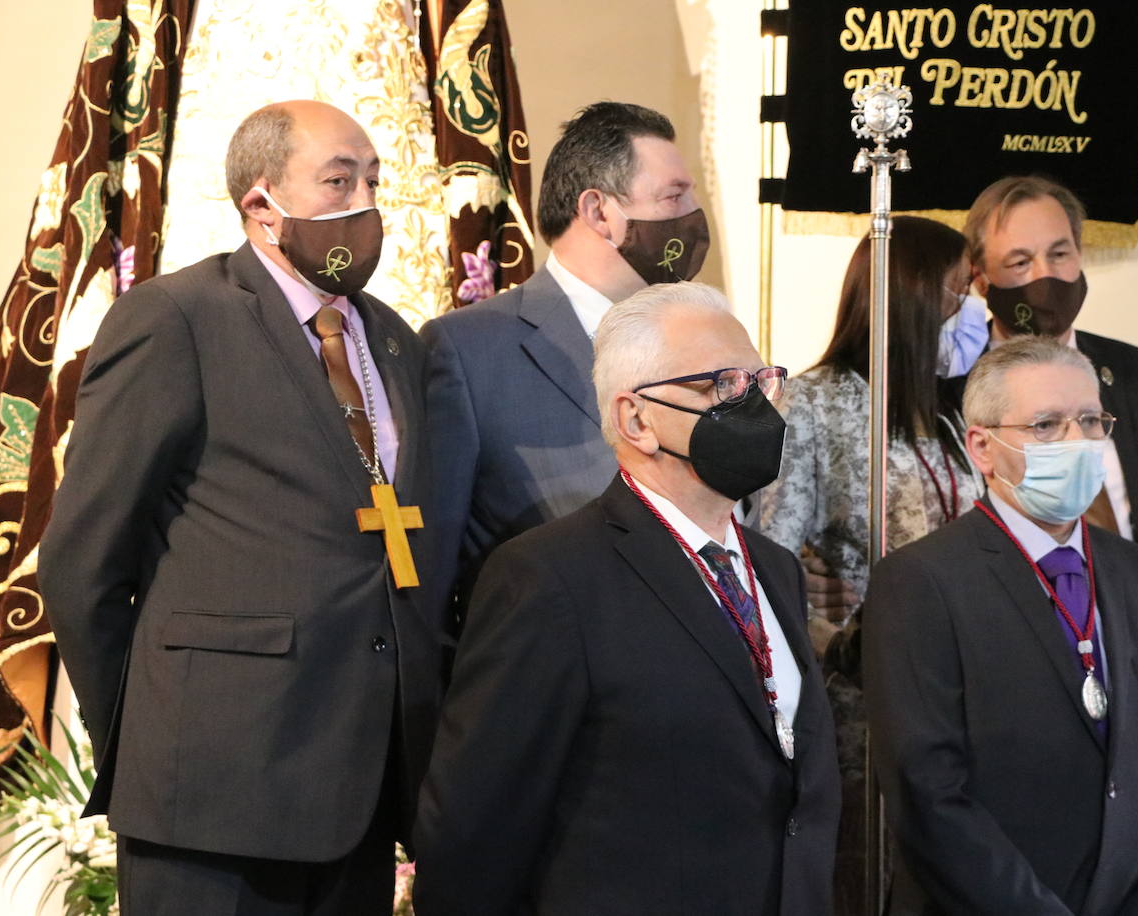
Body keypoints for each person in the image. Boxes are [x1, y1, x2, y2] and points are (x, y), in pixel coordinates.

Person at [40, 101, 443, 915]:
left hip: (361, 781)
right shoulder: (178, 318)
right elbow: (81, 562)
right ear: (262, 205)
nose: (364, 203)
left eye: (372, 181)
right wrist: (159, 718)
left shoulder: (391, 339)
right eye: (338, 182)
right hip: (212, 788)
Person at [413, 282, 839, 916]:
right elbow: (474, 831)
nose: (752, 404)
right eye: (719, 386)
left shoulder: (775, 570)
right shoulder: (549, 578)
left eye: (760, 382)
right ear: (635, 419)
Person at [863, 336, 1138, 915]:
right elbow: (929, 797)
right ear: (983, 446)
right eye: (1047, 426)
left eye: (1089, 421)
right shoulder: (920, 583)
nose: (1077, 442)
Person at [758, 215, 986, 916]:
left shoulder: (946, 414)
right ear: (913, 295)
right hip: (863, 715)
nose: (973, 309)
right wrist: (834, 641)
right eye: (959, 291)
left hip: (961, 703)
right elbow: (766, 561)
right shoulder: (817, 402)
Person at [420, 101, 708, 624]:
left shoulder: (699, 338)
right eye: (674, 196)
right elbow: (437, 558)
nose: (691, 214)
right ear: (599, 212)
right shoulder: (469, 349)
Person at [961, 174, 1138, 595]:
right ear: (980, 279)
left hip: (1127, 635)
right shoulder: (952, 382)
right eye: (1020, 262)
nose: (1046, 276)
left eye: (1059, 253)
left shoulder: (1133, 371)